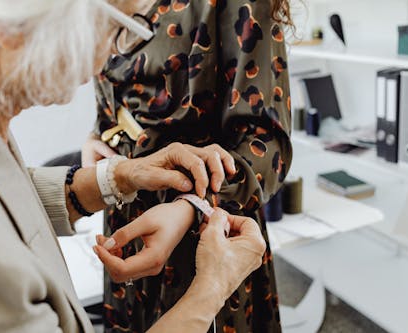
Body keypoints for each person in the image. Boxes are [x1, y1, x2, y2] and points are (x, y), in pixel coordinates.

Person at [0, 0, 266, 332]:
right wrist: (212, 290)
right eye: (113, 28)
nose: (111, 57)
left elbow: (0, 196)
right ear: (14, 26)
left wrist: (117, 177)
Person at [84, 0, 294, 332]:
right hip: (126, 211)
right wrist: (97, 138)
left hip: (201, 228)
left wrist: (191, 207)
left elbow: (269, 147)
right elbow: (118, 100)